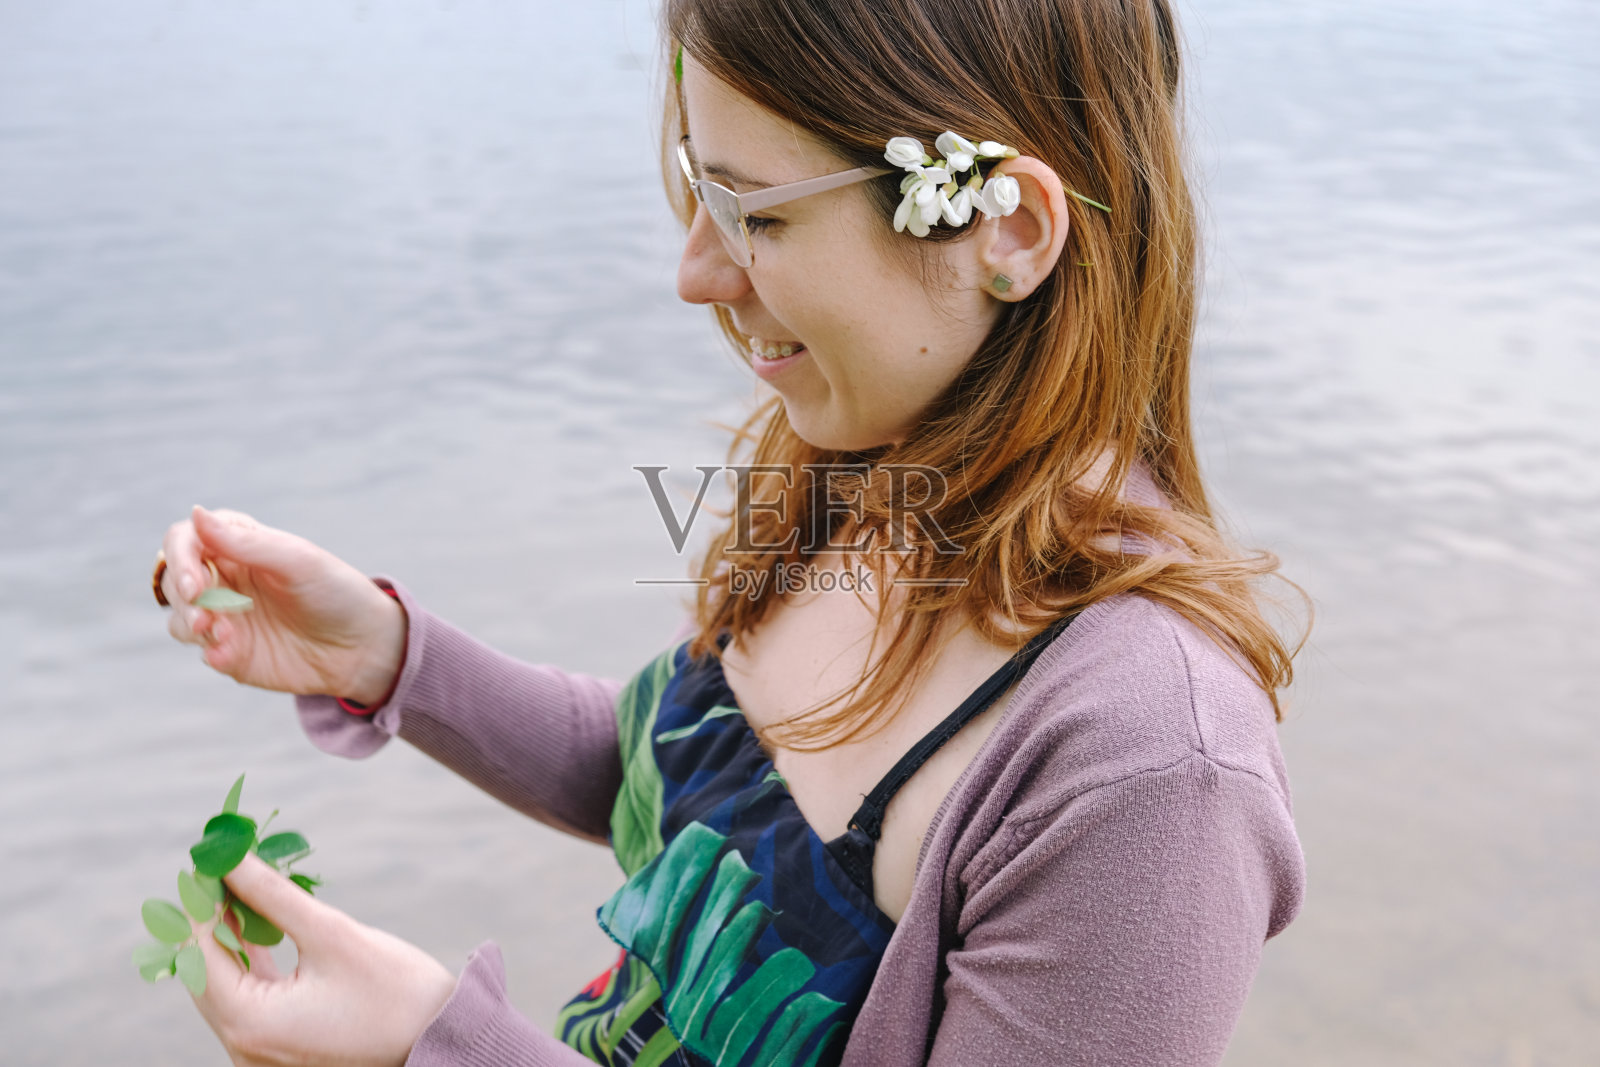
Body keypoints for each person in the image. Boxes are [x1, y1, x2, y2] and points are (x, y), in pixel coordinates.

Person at [153, 0, 1308, 1063]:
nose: (695, 273)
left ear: (1005, 229)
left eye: (755, 214)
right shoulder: (864, 474)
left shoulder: (1150, 772)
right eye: (696, 189)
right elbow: (694, 782)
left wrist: (436, 1045)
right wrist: (388, 653)